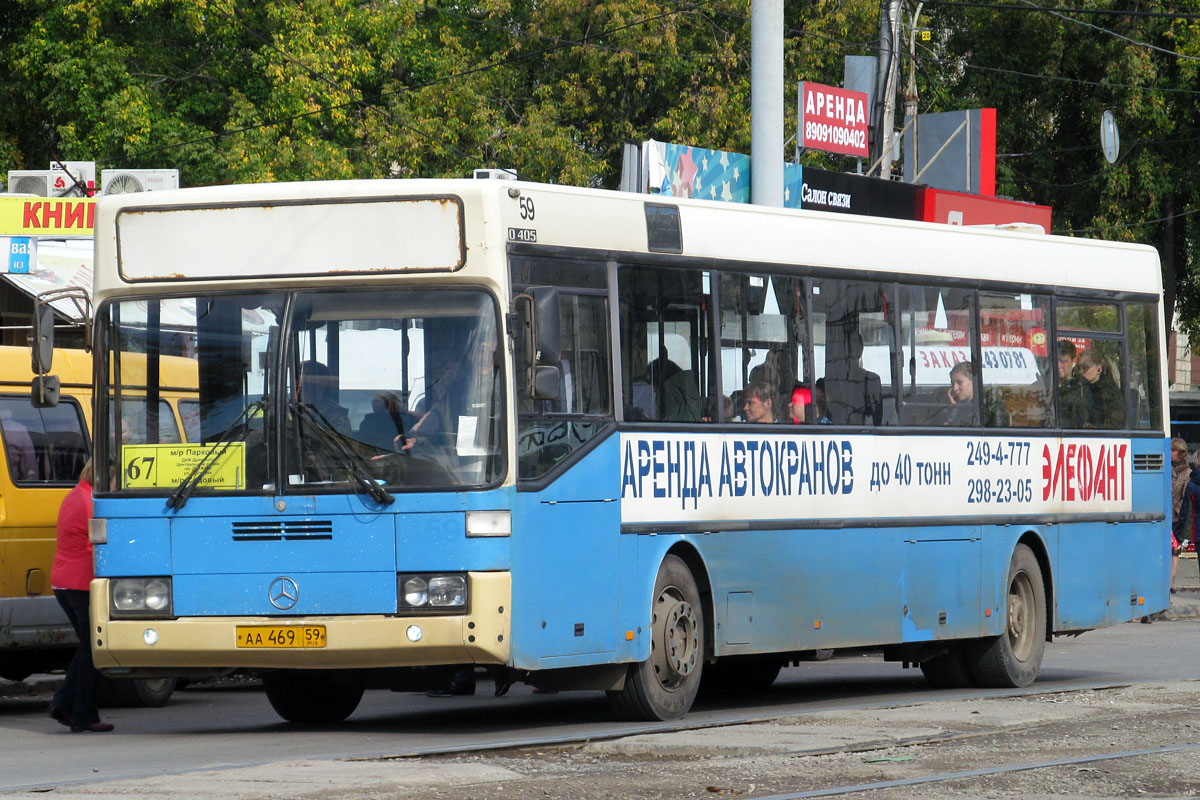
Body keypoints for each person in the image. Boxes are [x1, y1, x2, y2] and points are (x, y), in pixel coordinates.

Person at [47, 460, 113, 732]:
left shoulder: (76, 494)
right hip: (80, 583)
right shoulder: (92, 502)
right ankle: (75, 709)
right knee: (93, 650)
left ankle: (73, 708)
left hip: (63, 581)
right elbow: (101, 544)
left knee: (89, 648)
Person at [298, 360, 351, 434]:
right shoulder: (284, 408)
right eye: (301, 378)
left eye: (312, 382)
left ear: (326, 385)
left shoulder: (336, 417)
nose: (304, 383)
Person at [1076, 350, 1124, 429]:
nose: (1081, 372)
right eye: (1079, 368)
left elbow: (1114, 425)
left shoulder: (1110, 393)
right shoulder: (1079, 389)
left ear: (1099, 369)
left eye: (1085, 368)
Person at [1057, 340, 1086, 427]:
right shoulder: (1044, 382)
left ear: (1074, 362)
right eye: (1057, 360)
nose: (1058, 365)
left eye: (1064, 361)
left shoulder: (1082, 387)